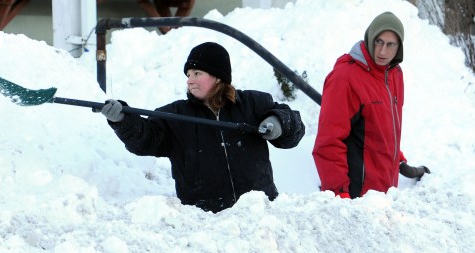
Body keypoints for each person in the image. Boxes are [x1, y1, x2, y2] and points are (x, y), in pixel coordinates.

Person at [101, 42, 305, 213]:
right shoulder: (176, 116)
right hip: (205, 223)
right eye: (188, 75)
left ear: (218, 76)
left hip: (260, 214)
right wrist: (122, 119)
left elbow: (293, 124)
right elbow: (144, 139)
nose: (190, 80)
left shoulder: (253, 104)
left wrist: (278, 123)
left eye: (197, 73)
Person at [312, 11, 430, 199]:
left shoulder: (394, 74)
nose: (383, 51)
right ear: (369, 38)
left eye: (390, 44)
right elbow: (329, 142)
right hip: (356, 197)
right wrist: (339, 194)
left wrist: (397, 159)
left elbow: (383, 126)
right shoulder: (345, 78)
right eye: (378, 42)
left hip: (384, 194)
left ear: (399, 47)